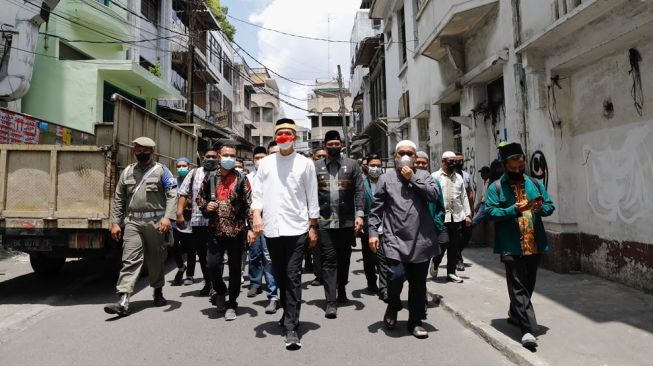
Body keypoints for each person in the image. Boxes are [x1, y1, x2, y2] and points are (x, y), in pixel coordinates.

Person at [251, 118, 319, 350]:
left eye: (288, 133)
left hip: (297, 227)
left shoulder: (305, 163)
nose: (284, 137)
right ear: (276, 137)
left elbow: (312, 196)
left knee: (292, 276)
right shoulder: (266, 163)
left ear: (295, 138)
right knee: (279, 275)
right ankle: (287, 312)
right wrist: (256, 217)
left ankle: (292, 326)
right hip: (272, 228)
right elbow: (257, 194)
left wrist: (312, 226)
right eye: (280, 133)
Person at [485, 142, 555, 350]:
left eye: (520, 167)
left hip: (534, 243)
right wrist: (512, 210)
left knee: (528, 285)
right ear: (505, 165)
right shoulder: (495, 187)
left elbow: (550, 206)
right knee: (517, 286)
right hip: (510, 245)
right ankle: (527, 330)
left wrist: (541, 207)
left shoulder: (535, 182)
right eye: (512, 168)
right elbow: (490, 212)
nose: (516, 170)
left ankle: (515, 313)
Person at [369, 140, 440, 338]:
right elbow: (376, 210)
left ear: (416, 157)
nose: (406, 156)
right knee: (396, 276)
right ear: (395, 156)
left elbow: (434, 196)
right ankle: (393, 305)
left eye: (410, 153)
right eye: (402, 153)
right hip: (394, 238)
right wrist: (373, 233)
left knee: (418, 284)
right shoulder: (386, 178)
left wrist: (413, 179)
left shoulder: (424, 176)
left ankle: (415, 321)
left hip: (421, 240)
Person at [104, 137, 177, 316]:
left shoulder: (162, 171)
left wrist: (168, 218)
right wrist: (115, 222)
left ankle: (158, 290)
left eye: (145, 150)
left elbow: (172, 194)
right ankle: (123, 299)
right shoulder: (127, 172)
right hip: (133, 222)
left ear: (152, 152)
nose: (142, 153)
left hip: (156, 223)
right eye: (138, 150)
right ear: (134, 151)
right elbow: (120, 199)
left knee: (155, 259)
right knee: (130, 258)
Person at [198, 143, 252, 321]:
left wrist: (251, 229)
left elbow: (249, 205)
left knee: (236, 270)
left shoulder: (242, 179)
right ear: (219, 157)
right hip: (215, 231)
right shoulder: (210, 178)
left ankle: (232, 303)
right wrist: (207, 206)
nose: (229, 158)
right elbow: (200, 198)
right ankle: (220, 291)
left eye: (233, 156)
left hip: (236, 232)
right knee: (212, 265)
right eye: (226, 155)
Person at [314, 130, 364, 319]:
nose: (334, 147)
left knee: (344, 259)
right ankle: (330, 301)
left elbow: (359, 191)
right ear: (325, 146)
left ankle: (341, 285)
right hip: (324, 222)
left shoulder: (352, 165)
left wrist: (360, 215)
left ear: (341, 144)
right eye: (330, 144)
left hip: (346, 222)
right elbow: (311, 194)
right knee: (329, 260)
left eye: (337, 144)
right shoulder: (315, 166)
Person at [176, 150, 217, 296]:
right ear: (203, 158)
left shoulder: (221, 173)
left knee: (213, 258)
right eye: (208, 157)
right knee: (202, 255)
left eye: (213, 157)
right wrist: (179, 213)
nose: (210, 159)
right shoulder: (194, 173)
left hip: (217, 224)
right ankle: (208, 283)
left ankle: (214, 285)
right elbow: (183, 193)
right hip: (198, 222)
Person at [246, 145, 280, 314]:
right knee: (261, 256)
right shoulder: (251, 178)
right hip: (260, 224)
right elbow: (250, 203)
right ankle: (271, 295)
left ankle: (283, 295)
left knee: (278, 262)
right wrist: (251, 226)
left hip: (283, 226)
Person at [430, 151, 472, 283]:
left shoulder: (458, 177)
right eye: (451, 161)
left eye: (456, 161)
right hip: (441, 217)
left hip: (457, 216)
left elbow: (463, 196)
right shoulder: (435, 177)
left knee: (454, 246)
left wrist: (468, 214)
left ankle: (451, 272)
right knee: (443, 242)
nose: (455, 163)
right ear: (443, 161)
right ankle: (436, 261)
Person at [362, 154, 384, 299]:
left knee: (384, 258)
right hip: (368, 226)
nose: (375, 168)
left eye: (378, 165)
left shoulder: (387, 181)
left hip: (386, 225)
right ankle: (371, 282)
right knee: (369, 258)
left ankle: (384, 286)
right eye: (372, 165)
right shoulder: (361, 184)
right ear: (366, 166)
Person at [171, 157, 192, 286]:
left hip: (190, 220)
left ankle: (189, 275)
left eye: (184, 166)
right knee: (173, 245)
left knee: (190, 248)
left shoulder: (193, 181)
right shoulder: (173, 182)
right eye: (179, 166)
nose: (181, 168)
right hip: (175, 219)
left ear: (189, 167)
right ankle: (180, 266)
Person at [455, 153, 474, 271]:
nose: (460, 163)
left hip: (465, 211)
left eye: (462, 161)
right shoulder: (447, 176)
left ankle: (456, 253)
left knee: (467, 235)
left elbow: (470, 192)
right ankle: (458, 259)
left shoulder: (466, 175)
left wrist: (471, 211)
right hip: (454, 211)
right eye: (457, 161)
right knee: (457, 236)